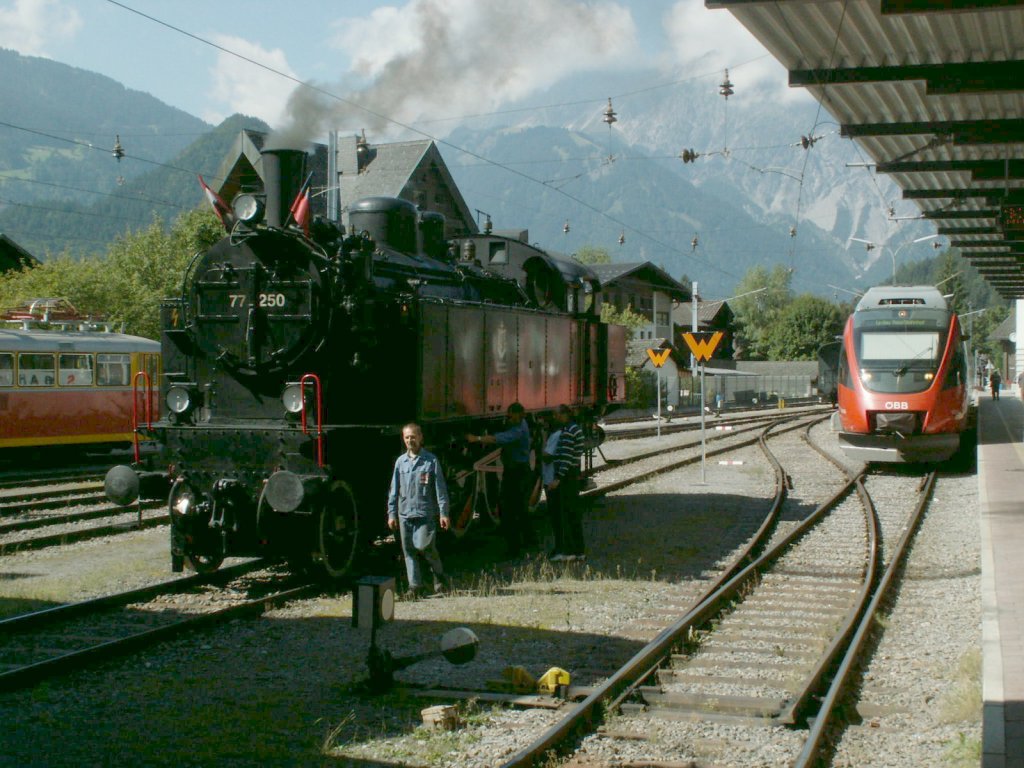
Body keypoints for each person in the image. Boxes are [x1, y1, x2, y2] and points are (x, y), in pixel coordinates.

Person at [387, 423, 450, 598]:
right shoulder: (400, 462)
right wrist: (391, 514)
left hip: (424, 513)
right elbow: (394, 490)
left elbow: (440, 489)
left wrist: (444, 513)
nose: (410, 440)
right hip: (404, 513)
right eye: (407, 437)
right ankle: (415, 587)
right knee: (408, 551)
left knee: (425, 547)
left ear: (421, 438)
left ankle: (440, 580)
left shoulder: (431, 461)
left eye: (413, 437)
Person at [467, 402, 532, 557]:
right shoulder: (522, 423)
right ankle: (529, 539)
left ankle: (514, 549)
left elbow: (499, 439)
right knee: (519, 508)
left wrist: (476, 439)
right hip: (517, 471)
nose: (508, 418)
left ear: (518, 415)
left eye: (510, 416)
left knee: (512, 509)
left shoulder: (518, 430)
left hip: (517, 473)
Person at [547, 405, 585, 562]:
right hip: (573, 474)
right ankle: (578, 551)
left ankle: (567, 552)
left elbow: (566, 457)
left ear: (564, 415)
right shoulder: (576, 429)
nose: (555, 417)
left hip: (567, 476)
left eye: (556, 414)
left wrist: (557, 478)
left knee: (566, 513)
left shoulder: (568, 432)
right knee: (573, 514)